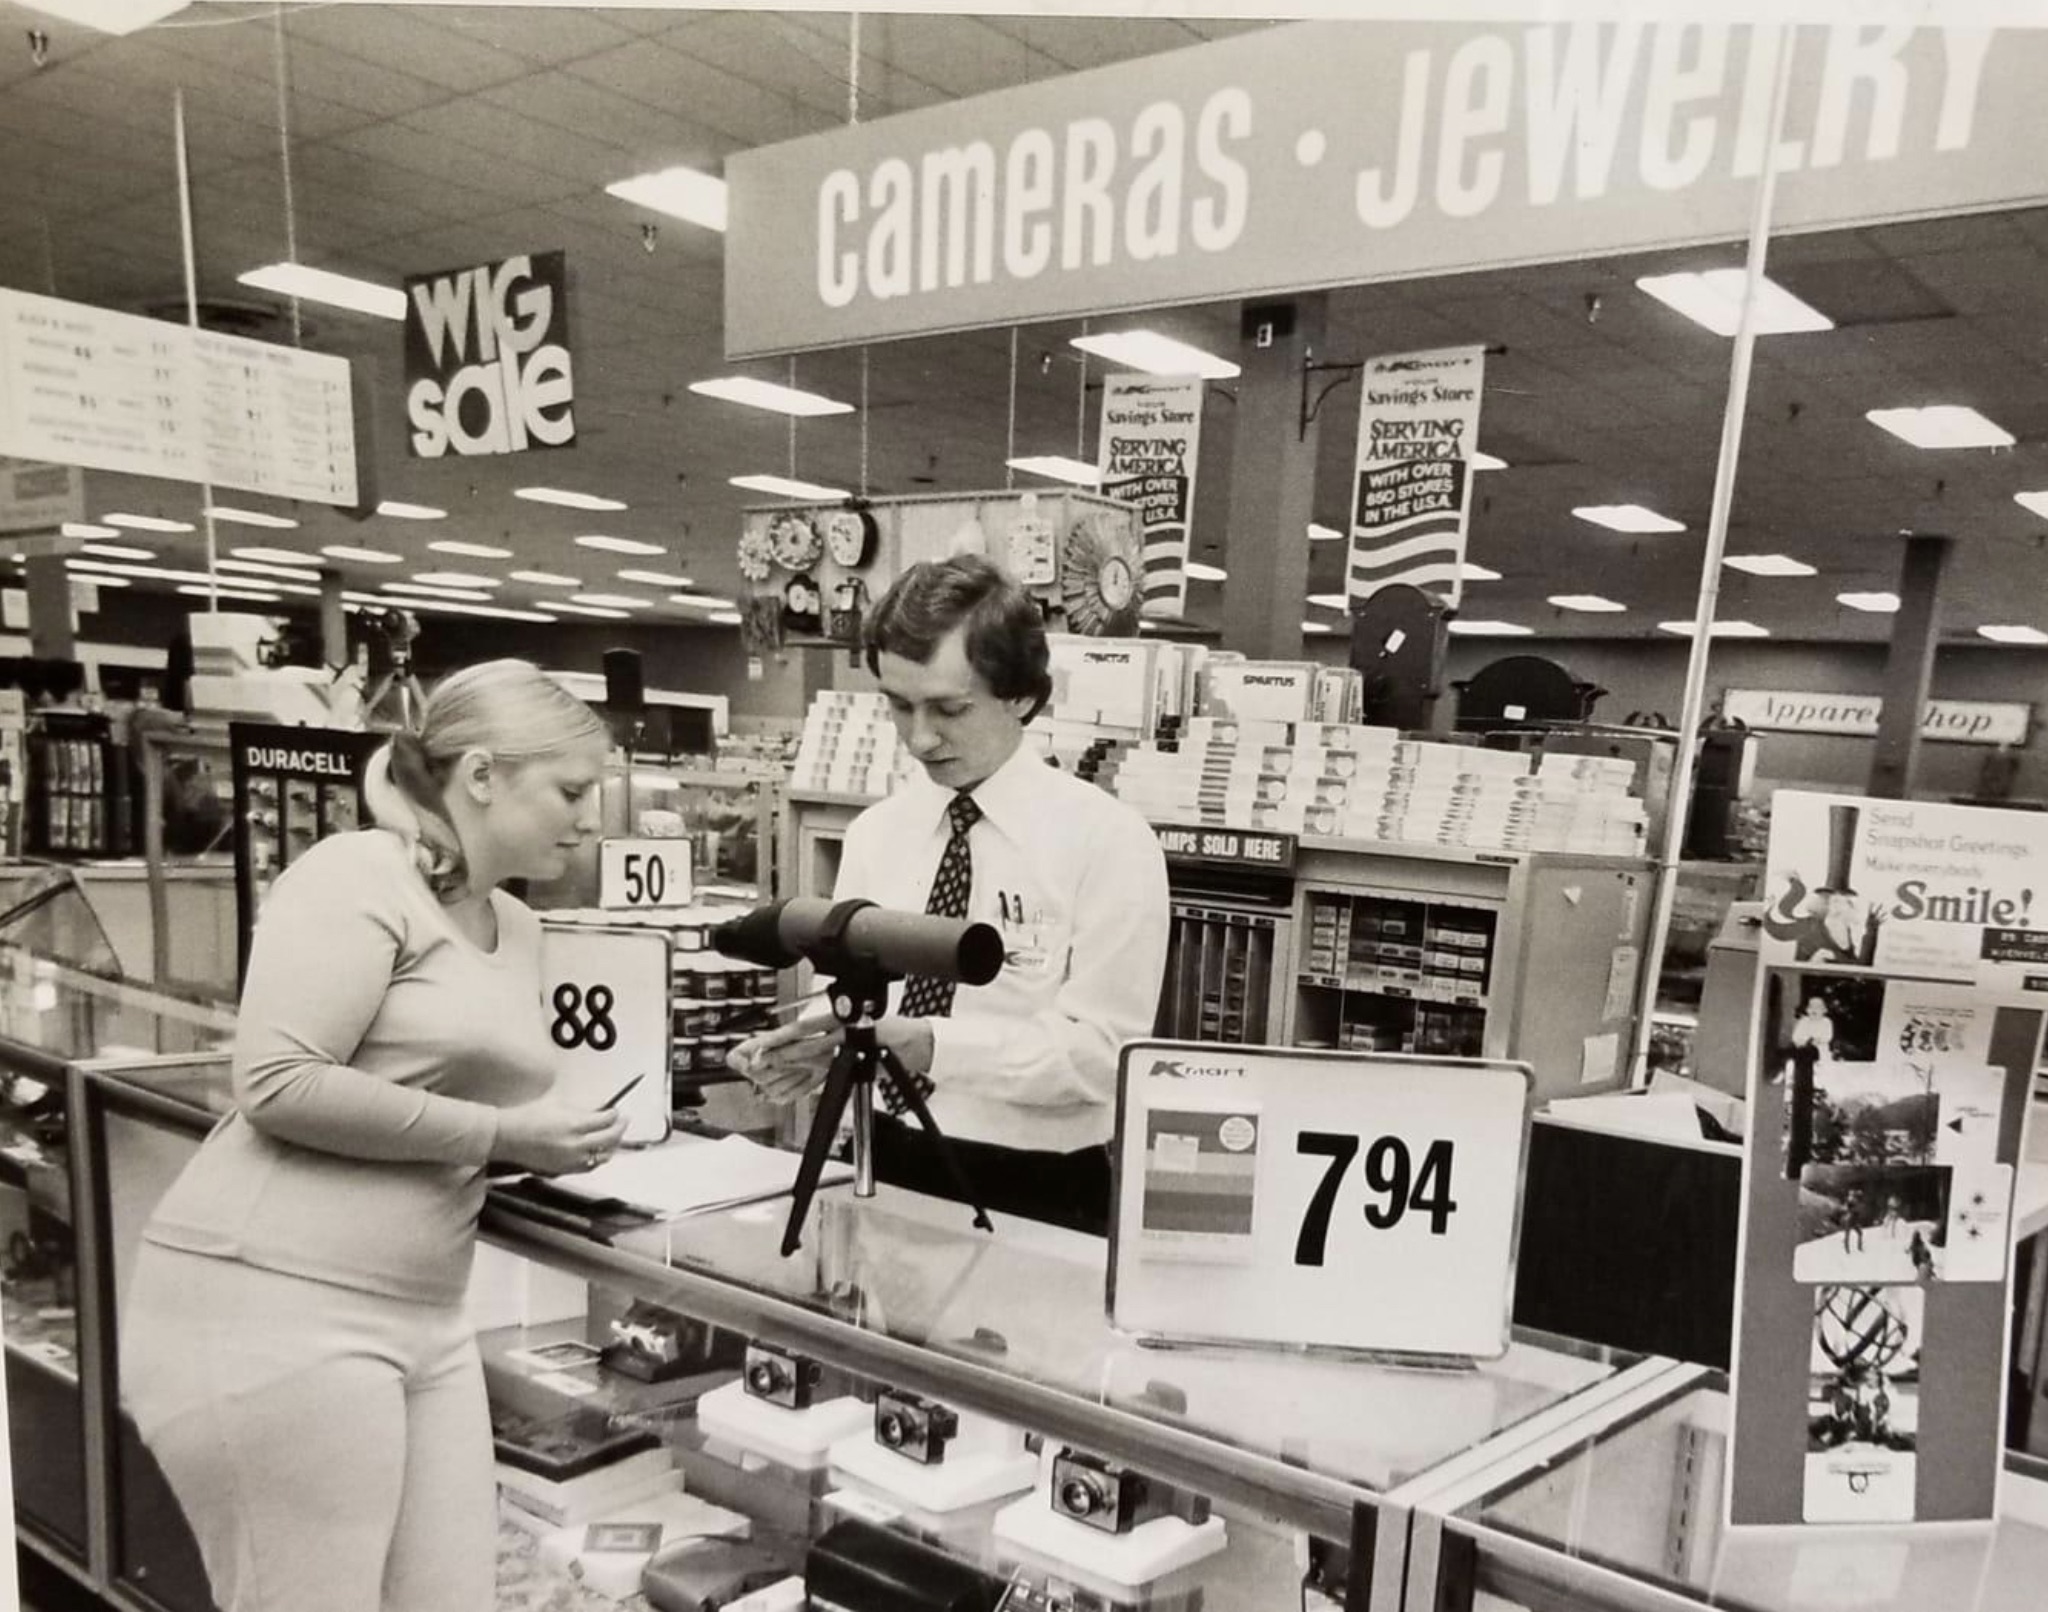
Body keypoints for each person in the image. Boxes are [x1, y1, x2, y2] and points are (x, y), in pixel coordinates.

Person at [119, 660, 628, 1612]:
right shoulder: (358, 873)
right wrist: (506, 1134)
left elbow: (429, 1101)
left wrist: (556, 1144)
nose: (591, 818)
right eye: (571, 791)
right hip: (269, 1306)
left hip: (425, 1319)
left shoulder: (517, 925)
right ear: (483, 775)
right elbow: (278, 1080)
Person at [732, 556, 1170, 1236]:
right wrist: (815, 1044)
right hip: (882, 1156)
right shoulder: (878, 832)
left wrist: (931, 1046)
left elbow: (1104, 1057)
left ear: (1021, 695)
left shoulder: (1109, 842)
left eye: (950, 708)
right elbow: (855, 989)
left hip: (1038, 1185)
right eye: (899, 705)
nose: (920, 738)